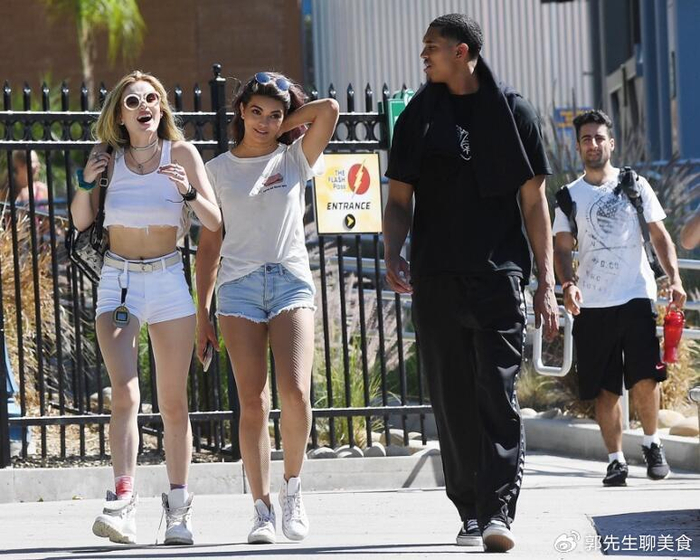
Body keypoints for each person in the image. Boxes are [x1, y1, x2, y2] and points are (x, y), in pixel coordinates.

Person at [383, 14, 558, 553]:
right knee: (452, 400)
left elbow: (534, 201)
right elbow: (398, 199)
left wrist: (547, 281)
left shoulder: (515, 113)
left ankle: (498, 509)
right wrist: (393, 251)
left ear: (462, 52)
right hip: (436, 276)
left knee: (496, 393)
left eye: (431, 47)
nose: (423, 56)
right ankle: (469, 510)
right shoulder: (417, 116)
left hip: (499, 275)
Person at [70, 71, 221, 545]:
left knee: (173, 402)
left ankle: (178, 509)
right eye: (133, 101)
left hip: (169, 280)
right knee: (125, 394)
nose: (144, 106)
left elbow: (215, 222)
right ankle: (123, 502)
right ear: (120, 114)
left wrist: (189, 193)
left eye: (152, 98)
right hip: (118, 282)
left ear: (161, 108)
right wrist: (84, 181)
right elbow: (81, 221)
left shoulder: (183, 154)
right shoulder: (107, 158)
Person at [196, 72, 338, 544]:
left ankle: (293, 490)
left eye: (274, 114)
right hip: (237, 290)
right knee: (253, 401)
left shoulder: (294, 159)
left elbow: (329, 110)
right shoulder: (216, 171)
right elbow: (208, 247)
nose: (263, 121)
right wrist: (202, 315)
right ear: (240, 110)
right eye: (255, 111)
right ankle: (261, 510)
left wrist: (282, 127)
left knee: (295, 393)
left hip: (289, 283)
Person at [553, 109, 686, 488]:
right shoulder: (568, 197)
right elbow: (561, 248)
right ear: (578, 147)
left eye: (599, 138)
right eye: (586, 139)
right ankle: (615, 461)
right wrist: (568, 284)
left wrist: (674, 278)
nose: (593, 144)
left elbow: (660, 236)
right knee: (604, 386)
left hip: (636, 295)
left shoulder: (635, 184)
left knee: (646, 376)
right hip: (593, 303)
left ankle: (652, 443)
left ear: (611, 143)